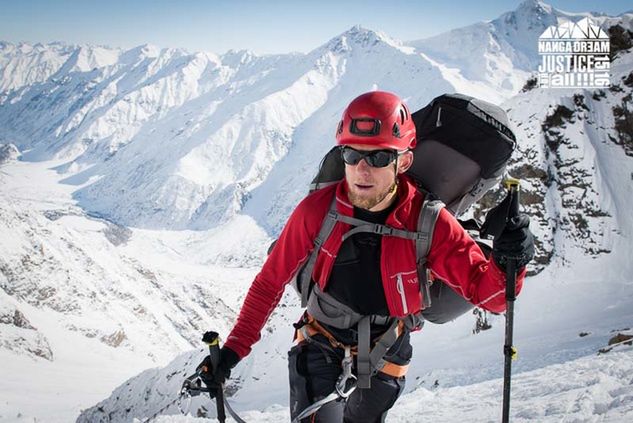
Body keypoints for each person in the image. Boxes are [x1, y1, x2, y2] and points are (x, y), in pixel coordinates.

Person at [198, 91, 534, 422]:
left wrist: (509, 261)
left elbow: (491, 297)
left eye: (377, 158)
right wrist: (232, 352)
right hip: (320, 339)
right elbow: (270, 281)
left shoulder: (430, 221)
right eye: (352, 155)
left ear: (403, 161)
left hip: (386, 350)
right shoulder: (317, 210)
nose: (362, 169)